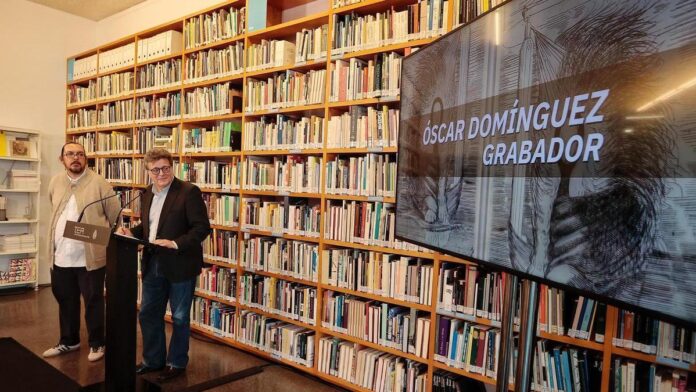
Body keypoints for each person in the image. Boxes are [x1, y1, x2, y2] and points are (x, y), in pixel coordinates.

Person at [116, 148, 210, 382]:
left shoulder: (188, 191)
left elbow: (201, 228)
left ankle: (176, 362)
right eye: (156, 169)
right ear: (147, 172)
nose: (161, 173)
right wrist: (131, 232)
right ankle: (153, 360)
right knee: (148, 313)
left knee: (179, 317)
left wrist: (175, 243)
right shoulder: (146, 193)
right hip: (153, 262)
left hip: (180, 264)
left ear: (172, 167)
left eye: (165, 168)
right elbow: (150, 229)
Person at [43, 142, 120, 362]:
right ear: (62, 159)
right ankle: (69, 341)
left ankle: (97, 343)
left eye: (80, 154)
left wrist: (88, 234)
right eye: (70, 154)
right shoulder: (55, 182)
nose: (75, 158)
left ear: (86, 158)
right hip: (60, 257)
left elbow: (114, 217)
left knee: (94, 301)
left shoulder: (99, 183)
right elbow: (54, 207)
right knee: (65, 301)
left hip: (89, 259)